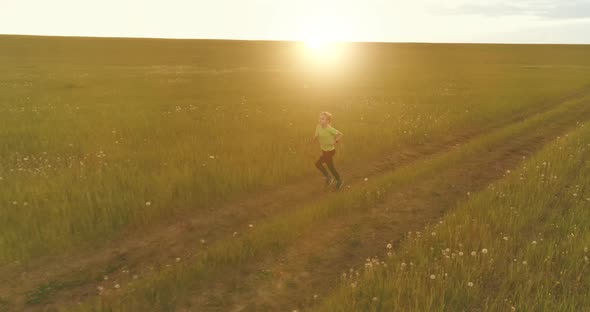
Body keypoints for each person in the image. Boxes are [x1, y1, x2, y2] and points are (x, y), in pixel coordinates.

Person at [312, 111, 343, 190]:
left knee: (318, 164)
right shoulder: (318, 126)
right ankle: (333, 178)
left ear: (328, 121)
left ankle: (334, 179)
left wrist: (335, 141)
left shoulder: (330, 129)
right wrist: (315, 138)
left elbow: (340, 134)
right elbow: (316, 135)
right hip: (324, 150)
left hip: (330, 151)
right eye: (320, 118)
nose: (320, 120)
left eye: (322, 119)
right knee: (330, 167)